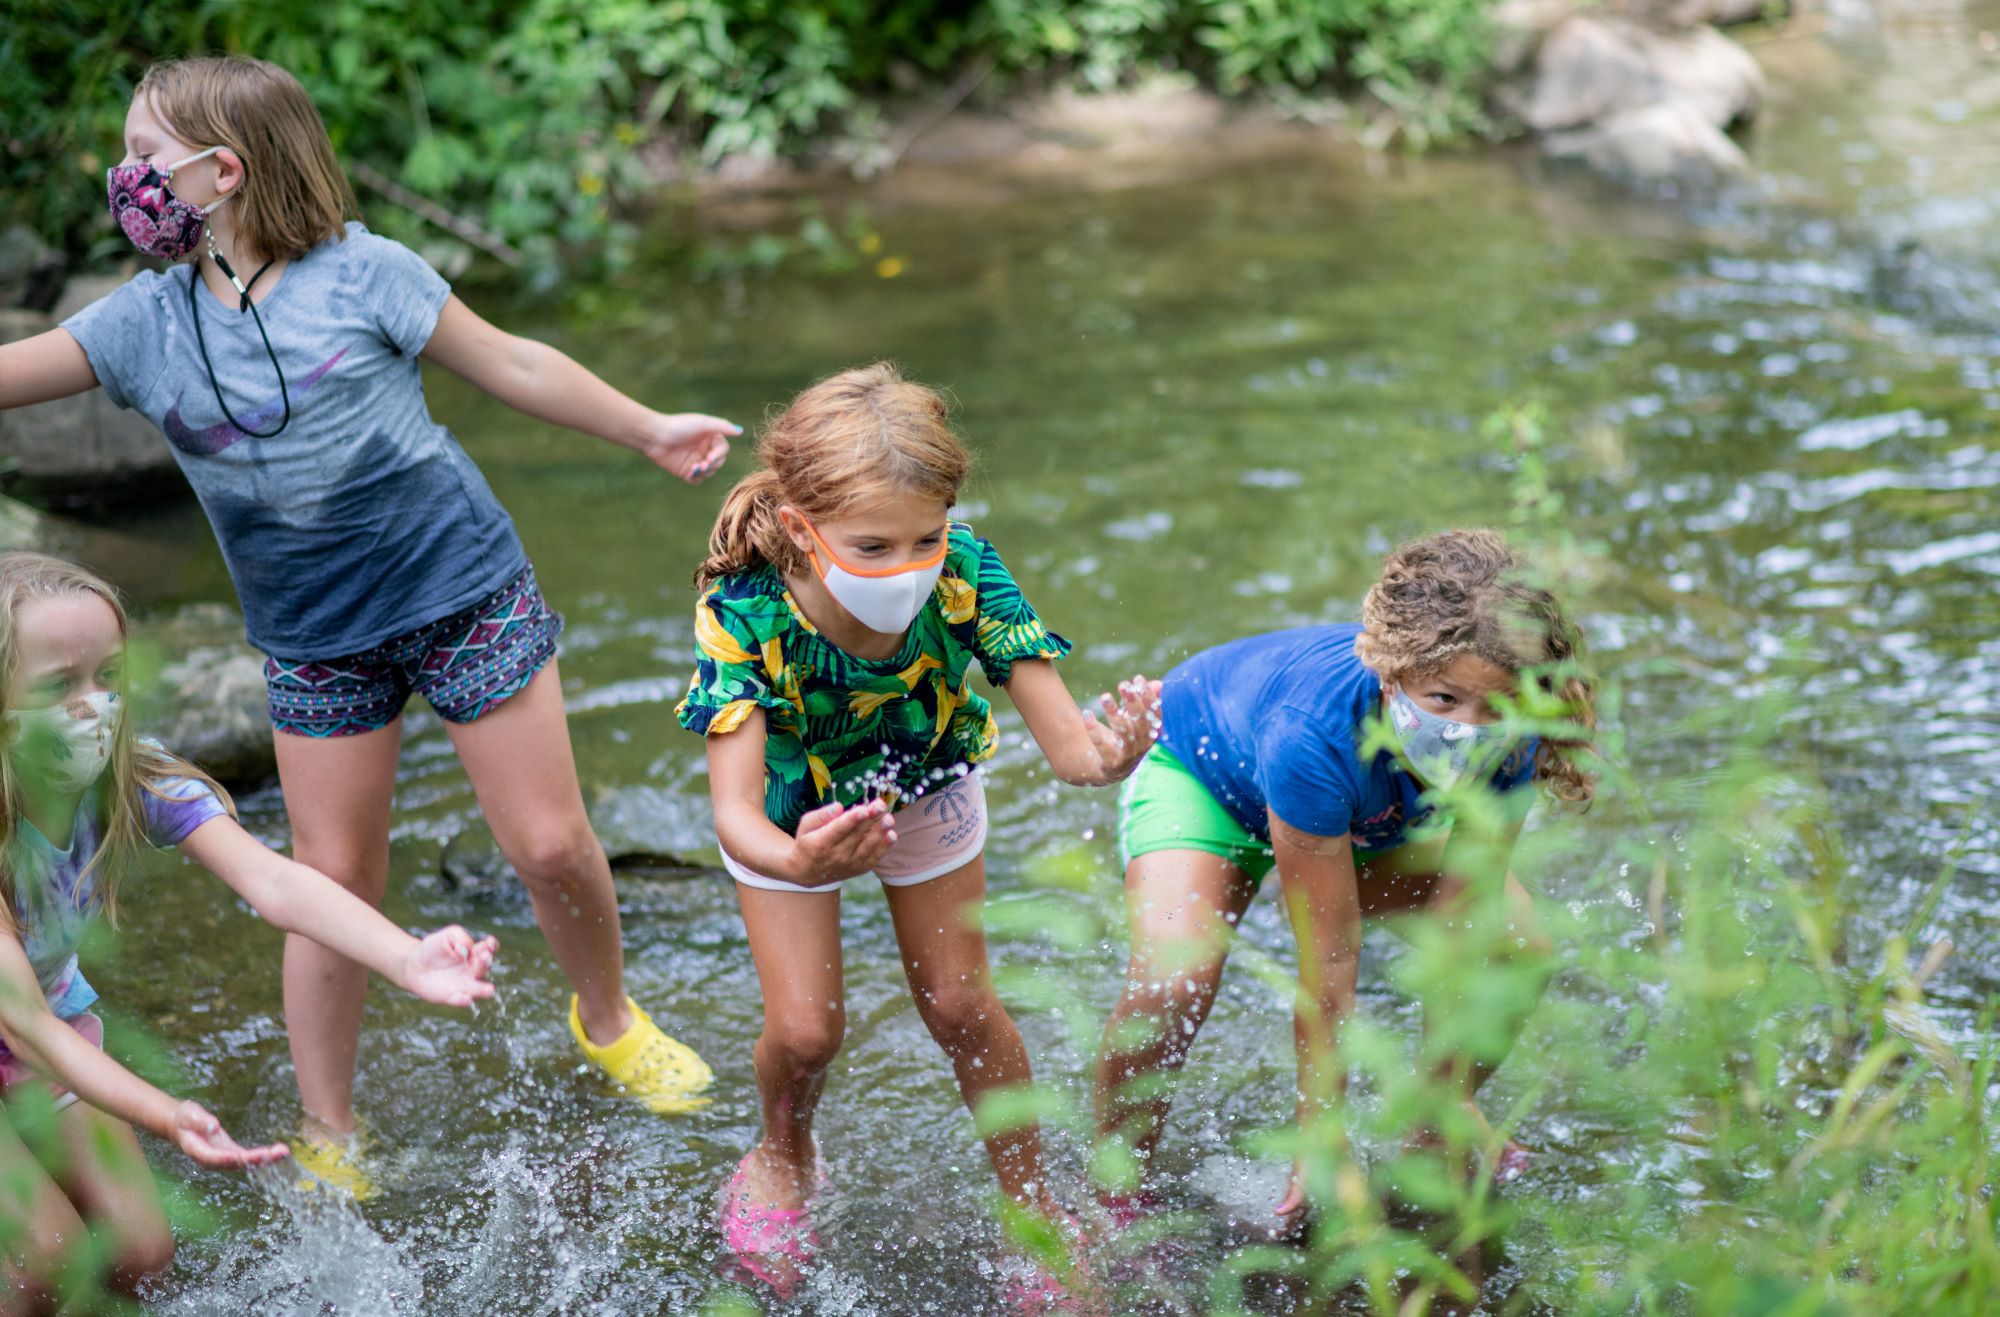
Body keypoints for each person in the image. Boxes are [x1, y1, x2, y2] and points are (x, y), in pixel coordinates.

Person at [0, 55, 729, 1194]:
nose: (125, 178)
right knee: (332, 876)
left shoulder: (367, 275)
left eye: (144, 157)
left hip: (460, 590)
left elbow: (513, 361)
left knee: (545, 843)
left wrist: (646, 430)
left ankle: (608, 1017)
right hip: (313, 635)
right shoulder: (141, 326)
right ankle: (330, 1126)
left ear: (221, 171)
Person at [676, 363, 1158, 1306]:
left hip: (924, 779)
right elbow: (733, 811)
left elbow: (1071, 752)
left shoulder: (967, 570)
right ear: (799, 530)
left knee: (961, 1006)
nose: (907, 566)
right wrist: (800, 856)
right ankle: (783, 1152)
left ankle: (1033, 1210)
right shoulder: (745, 610)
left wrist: (1117, 754)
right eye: (873, 544)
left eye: (926, 537)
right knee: (807, 1031)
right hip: (793, 815)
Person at [0, 551, 498, 1303]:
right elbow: (27, 1026)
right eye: (57, 685)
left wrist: (407, 956)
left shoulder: (132, 781)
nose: (91, 705)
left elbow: (274, 881)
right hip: (30, 1027)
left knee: (140, 1250)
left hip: (46, 1032)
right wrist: (166, 1113)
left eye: (107, 676)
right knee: (40, 1261)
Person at [1091, 528, 1596, 1234]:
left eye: (1496, 710)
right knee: (1171, 984)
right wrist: (1319, 1132)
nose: (1469, 729)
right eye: (1444, 698)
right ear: (1393, 674)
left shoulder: (1510, 736)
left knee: (1521, 949)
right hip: (1208, 779)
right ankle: (1118, 1196)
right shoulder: (1312, 730)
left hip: (1354, 818)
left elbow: (1461, 921)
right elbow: (1331, 958)